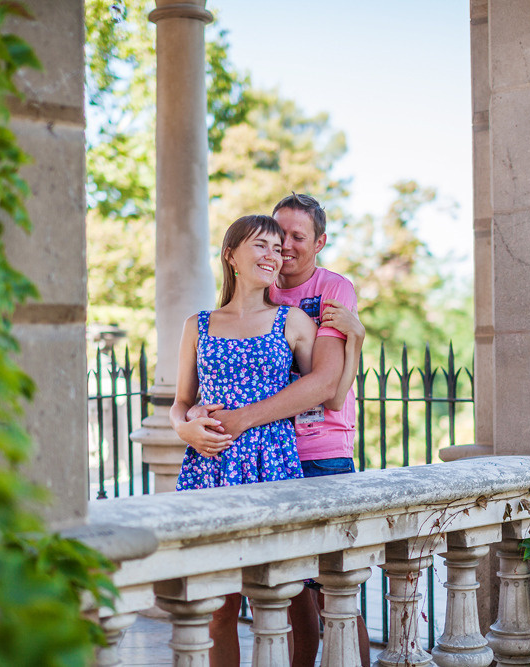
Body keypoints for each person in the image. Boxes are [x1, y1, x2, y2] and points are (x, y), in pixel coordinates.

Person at [185, 193, 370, 667]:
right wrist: (188, 425)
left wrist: (356, 340)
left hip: (306, 453)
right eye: (270, 237)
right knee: (262, 599)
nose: (281, 247)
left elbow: (328, 388)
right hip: (228, 465)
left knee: (327, 589)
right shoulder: (211, 318)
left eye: (293, 237)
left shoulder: (325, 295)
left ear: (319, 243)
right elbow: (185, 399)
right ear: (233, 254)